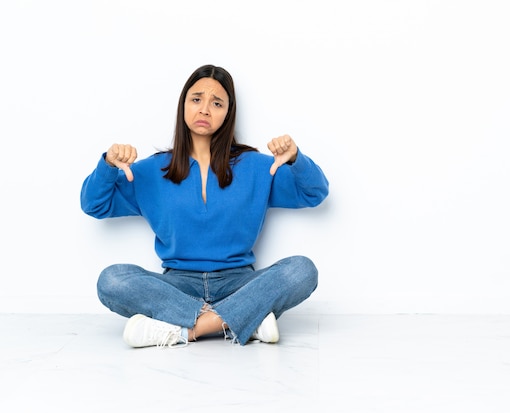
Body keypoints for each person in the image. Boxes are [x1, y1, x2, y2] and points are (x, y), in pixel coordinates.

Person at [80, 64, 329, 349]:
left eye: (217, 103)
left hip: (239, 283)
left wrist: (297, 159)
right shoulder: (150, 172)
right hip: (177, 286)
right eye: (196, 99)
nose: (205, 110)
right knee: (112, 280)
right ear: (183, 105)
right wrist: (108, 166)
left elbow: (315, 193)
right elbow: (94, 205)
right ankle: (245, 319)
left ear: (228, 113)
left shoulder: (257, 167)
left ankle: (185, 330)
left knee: (301, 270)